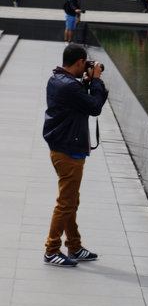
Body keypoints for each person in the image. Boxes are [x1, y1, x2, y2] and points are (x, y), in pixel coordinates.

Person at [42, 44, 107, 266]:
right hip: (68, 150)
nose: (87, 67)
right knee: (66, 202)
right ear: (79, 62)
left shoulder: (58, 79)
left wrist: (89, 83)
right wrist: (96, 81)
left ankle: (74, 246)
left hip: (64, 146)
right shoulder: (69, 86)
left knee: (71, 200)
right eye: (85, 63)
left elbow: (85, 102)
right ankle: (51, 250)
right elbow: (95, 107)